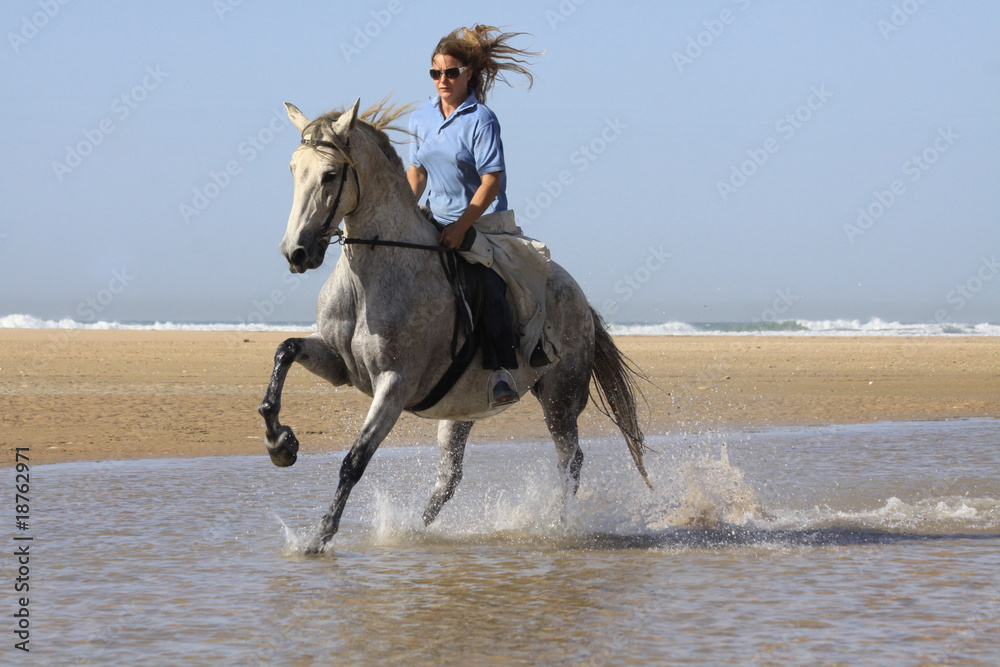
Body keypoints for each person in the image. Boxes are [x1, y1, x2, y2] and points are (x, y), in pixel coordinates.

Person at [407, 25, 541, 408]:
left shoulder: (481, 119)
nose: (443, 80)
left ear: (468, 74)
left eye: (451, 72)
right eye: (436, 73)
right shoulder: (420, 118)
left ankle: (501, 371)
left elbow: (491, 182)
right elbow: (416, 172)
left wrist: (461, 226)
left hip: (481, 223)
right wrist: (406, 210)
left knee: (485, 282)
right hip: (433, 219)